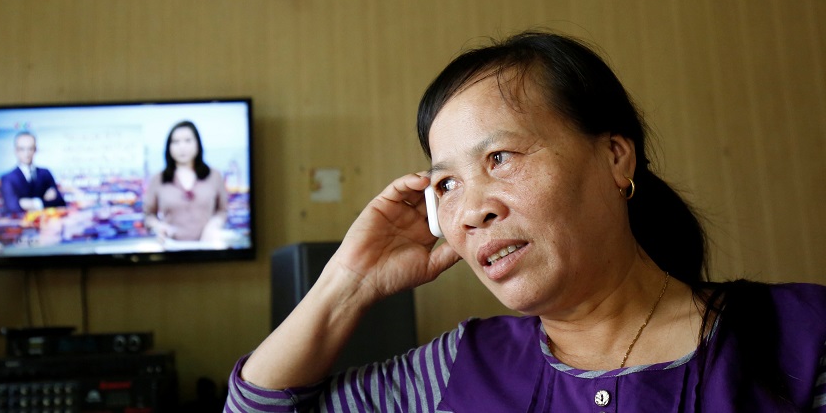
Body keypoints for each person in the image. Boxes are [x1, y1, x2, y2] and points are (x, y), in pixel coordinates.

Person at [225, 30, 826, 412]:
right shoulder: (454, 370)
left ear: (615, 157)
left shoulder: (800, 336)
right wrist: (348, 282)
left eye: (500, 158)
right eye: (447, 184)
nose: (473, 209)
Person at [143, 120, 228, 243]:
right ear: (169, 147)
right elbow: (148, 215)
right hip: (170, 248)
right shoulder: (158, 179)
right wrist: (159, 227)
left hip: (208, 249)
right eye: (176, 142)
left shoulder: (214, 176)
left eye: (188, 141)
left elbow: (222, 210)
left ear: (197, 144)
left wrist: (213, 226)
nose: (182, 147)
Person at [0, 131, 66, 215]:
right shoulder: (7, 178)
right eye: (22, 149)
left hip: (46, 224)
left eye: (30, 148)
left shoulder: (45, 173)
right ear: (16, 151)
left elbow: (60, 202)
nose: (26, 153)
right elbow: (13, 207)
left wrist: (29, 203)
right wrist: (43, 201)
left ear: (35, 149)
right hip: (20, 226)